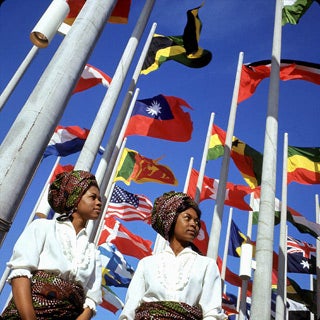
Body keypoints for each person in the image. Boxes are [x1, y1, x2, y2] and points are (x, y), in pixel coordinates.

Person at [1, 170, 103, 320]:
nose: (99, 202)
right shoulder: (42, 227)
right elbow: (20, 275)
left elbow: (90, 301)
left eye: (99, 198)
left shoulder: (93, 253)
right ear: (75, 200)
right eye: (92, 197)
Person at [119, 191, 227, 320]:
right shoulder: (146, 263)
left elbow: (212, 313)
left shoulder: (207, 265)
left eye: (197, 221)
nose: (194, 224)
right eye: (187, 218)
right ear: (171, 219)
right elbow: (129, 310)